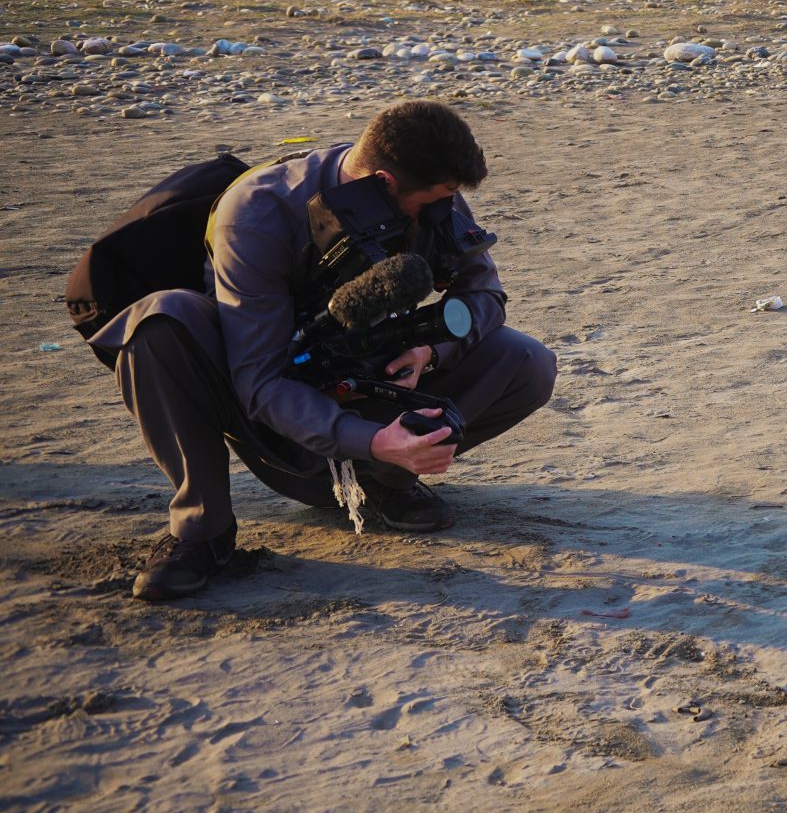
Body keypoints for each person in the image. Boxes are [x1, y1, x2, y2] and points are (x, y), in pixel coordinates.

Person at [89, 101, 556, 601]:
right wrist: (373, 439)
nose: (445, 210)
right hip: (270, 414)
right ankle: (202, 530)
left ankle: (382, 482)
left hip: (371, 378)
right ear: (385, 181)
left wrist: (432, 350)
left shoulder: (436, 195)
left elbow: (484, 295)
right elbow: (260, 383)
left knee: (525, 361)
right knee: (161, 322)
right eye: (434, 200)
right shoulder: (258, 212)